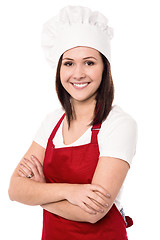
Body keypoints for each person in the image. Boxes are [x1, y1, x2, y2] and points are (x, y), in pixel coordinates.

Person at [8, 5, 138, 240]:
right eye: (68, 63)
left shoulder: (119, 124)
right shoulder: (52, 122)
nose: (78, 74)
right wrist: (70, 191)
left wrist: (40, 193)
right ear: (59, 69)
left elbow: (93, 212)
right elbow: (15, 189)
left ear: (104, 68)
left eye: (89, 62)